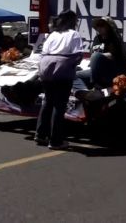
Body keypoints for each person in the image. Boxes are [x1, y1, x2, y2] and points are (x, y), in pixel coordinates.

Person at [35, 10, 83, 150]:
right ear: (72, 21)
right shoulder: (74, 34)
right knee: (59, 105)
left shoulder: (53, 34)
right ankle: (55, 141)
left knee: (48, 101)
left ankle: (40, 134)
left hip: (46, 68)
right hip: (62, 70)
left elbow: (43, 53)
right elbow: (77, 54)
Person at [78, 17, 126, 90]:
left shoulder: (114, 38)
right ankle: (85, 93)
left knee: (95, 56)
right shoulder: (97, 38)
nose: (99, 28)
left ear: (109, 26)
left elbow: (114, 56)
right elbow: (92, 53)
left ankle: (95, 86)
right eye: (97, 25)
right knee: (75, 76)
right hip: (96, 72)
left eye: (102, 25)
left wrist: (98, 57)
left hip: (114, 71)